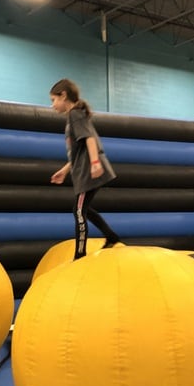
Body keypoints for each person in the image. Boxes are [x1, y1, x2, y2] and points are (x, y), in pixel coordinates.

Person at [49, 78, 121, 260]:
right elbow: (78, 151)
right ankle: (111, 236)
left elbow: (89, 139)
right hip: (84, 169)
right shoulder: (75, 116)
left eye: (53, 100)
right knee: (84, 209)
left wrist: (95, 163)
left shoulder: (75, 114)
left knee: (79, 211)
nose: (52, 105)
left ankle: (80, 253)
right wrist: (65, 171)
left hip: (89, 170)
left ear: (63, 95)